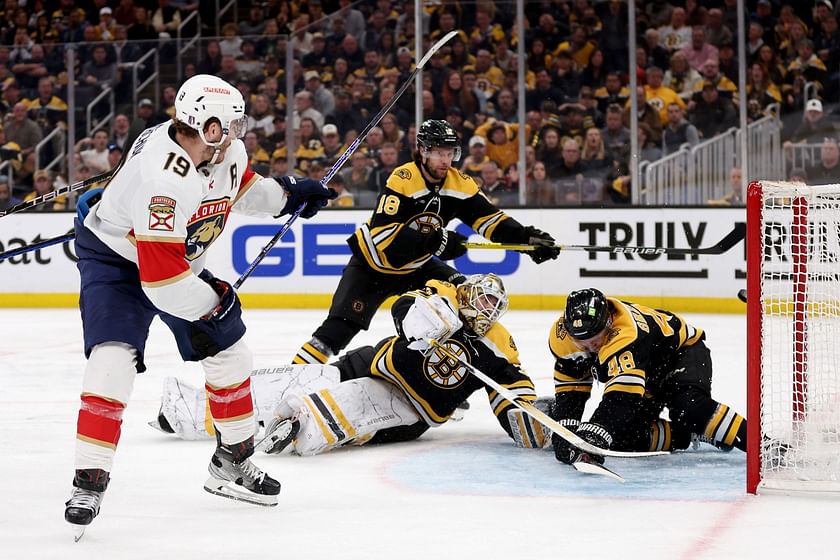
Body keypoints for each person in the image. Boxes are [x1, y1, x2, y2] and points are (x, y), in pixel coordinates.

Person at [63, 75, 336, 533]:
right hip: (117, 261)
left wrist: (288, 193)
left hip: (169, 259)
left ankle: (233, 461)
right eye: (226, 126)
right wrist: (216, 305)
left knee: (231, 354)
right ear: (204, 125)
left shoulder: (224, 152)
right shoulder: (165, 181)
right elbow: (163, 282)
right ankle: (88, 479)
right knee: (113, 361)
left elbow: (240, 189)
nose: (235, 134)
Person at [153, 275, 549, 455]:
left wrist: (533, 418)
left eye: (491, 309)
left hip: (409, 406)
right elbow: (405, 307)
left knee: (347, 402)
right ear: (467, 292)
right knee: (299, 377)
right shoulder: (443, 293)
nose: (483, 312)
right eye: (480, 301)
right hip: (373, 360)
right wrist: (426, 318)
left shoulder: (498, 346)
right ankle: (191, 410)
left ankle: (297, 425)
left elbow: (513, 391)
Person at [292, 120, 560, 366]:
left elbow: (491, 221)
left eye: (450, 153)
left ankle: (439, 376)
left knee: (462, 299)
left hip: (417, 266)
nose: (446, 160)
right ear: (422, 151)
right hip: (373, 266)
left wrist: (527, 239)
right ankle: (293, 377)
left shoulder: (460, 184)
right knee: (337, 332)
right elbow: (387, 240)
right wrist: (439, 241)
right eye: (439, 153)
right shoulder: (403, 178)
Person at [547, 288, 747, 469]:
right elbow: (571, 391)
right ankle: (689, 433)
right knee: (620, 438)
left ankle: (761, 444)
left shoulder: (626, 334)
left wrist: (595, 433)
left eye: (596, 339)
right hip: (646, 370)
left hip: (680, 354)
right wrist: (565, 433)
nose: (590, 348)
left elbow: (622, 398)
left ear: (609, 323)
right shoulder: (563, 339)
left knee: (689, 408)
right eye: (581, 342)